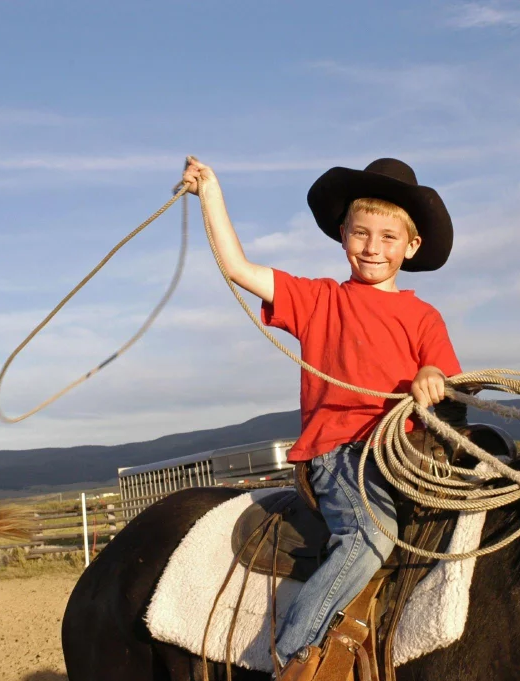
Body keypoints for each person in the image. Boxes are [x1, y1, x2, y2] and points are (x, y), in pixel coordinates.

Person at [181, 156, 461, 676]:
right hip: (340, 454)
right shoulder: (318, 299)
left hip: (401, 455)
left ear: (411, 246)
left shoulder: (424, 317)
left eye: (387, 237)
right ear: (342, 236)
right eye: (361, 234)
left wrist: (430, 377)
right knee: (369, 536)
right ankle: (293, 656)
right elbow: (239, 269)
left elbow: (439, 373)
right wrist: (211, 193)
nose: (372, 248)